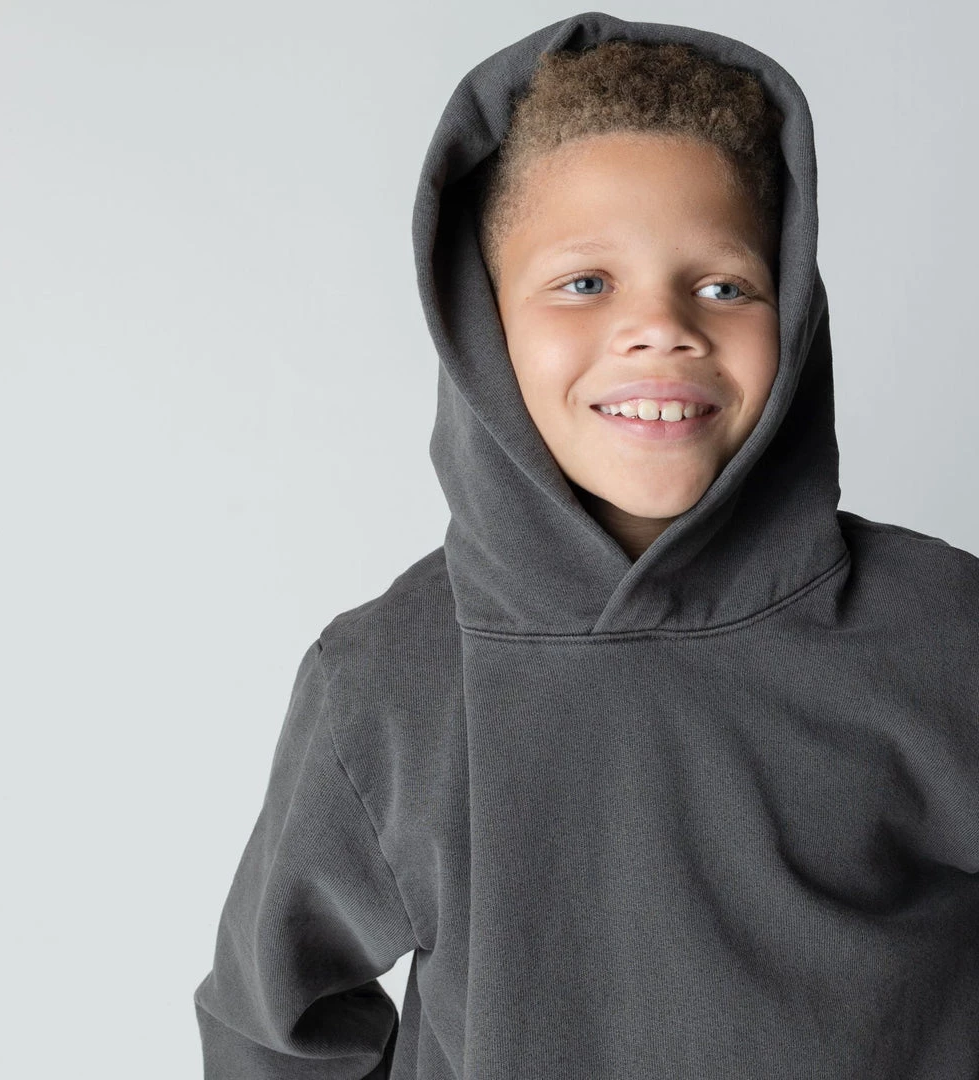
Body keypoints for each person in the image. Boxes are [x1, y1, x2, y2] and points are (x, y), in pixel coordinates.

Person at [193, 11, 979, 1077]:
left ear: (792, 308)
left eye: (724, 286)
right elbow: (271, 1027)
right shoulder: (384, 681)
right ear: (484, 324)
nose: (662, 328)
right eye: (585, 282)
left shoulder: (941, 631)